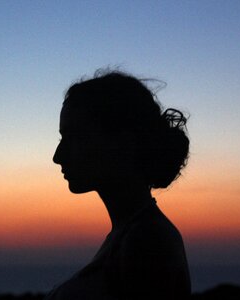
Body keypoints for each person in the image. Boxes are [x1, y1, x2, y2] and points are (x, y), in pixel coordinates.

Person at [45, 70, 191, 299]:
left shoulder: (147, 242)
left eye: (75, 137)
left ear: (123, 141)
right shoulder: (133, 234)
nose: (58, 155)